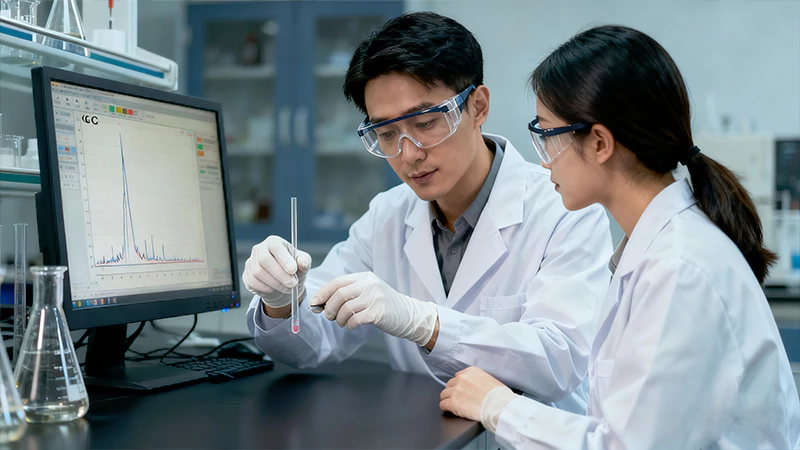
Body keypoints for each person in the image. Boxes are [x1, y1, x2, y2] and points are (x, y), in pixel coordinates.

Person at [439, 25, 800, 449]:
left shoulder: (680, 269)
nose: (543, 164)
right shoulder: (656, 250)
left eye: (547, 136)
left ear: (599, 143)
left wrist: (498, 407)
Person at [243, 12, 612, 411]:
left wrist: (426, 323)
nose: (409, 154)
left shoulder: (563, 208)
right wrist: (282, 300)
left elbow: (560, 362)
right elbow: (311, 344)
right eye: (386, 134)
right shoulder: (386, 216)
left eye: (426, 122)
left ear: (478, 106)